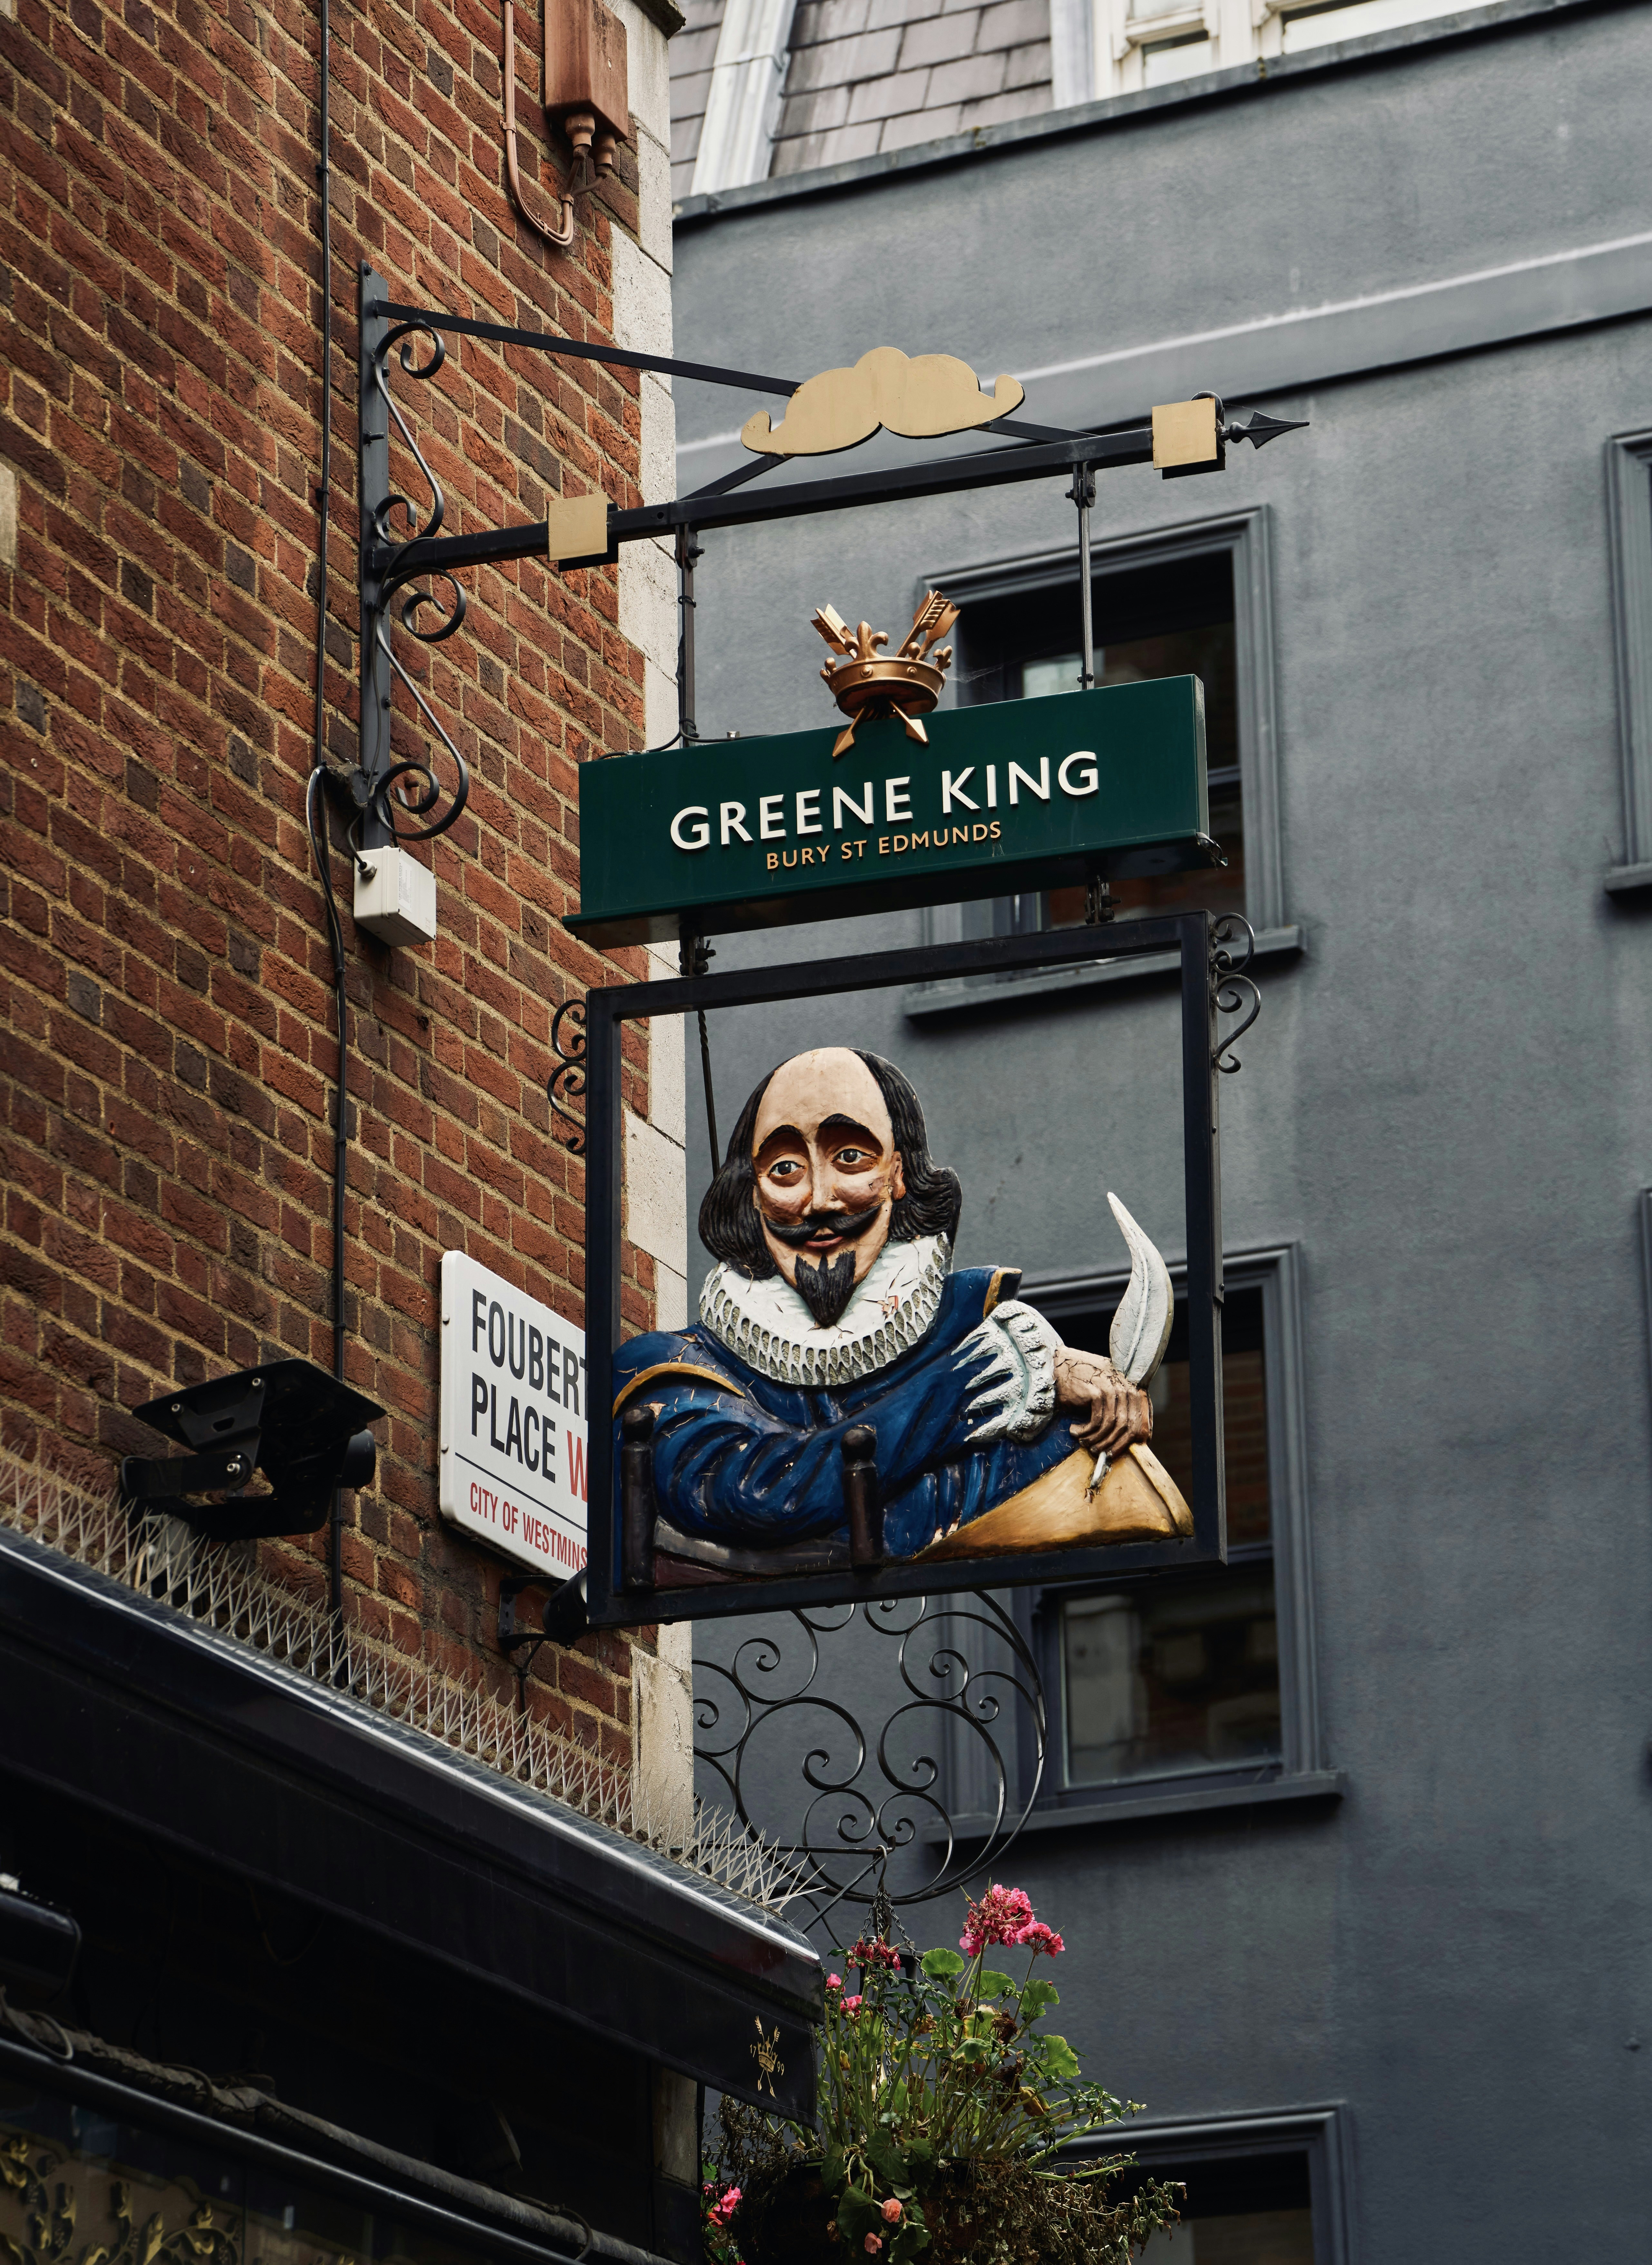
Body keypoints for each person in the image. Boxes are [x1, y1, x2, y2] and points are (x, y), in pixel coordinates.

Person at [612, 1046, 1189, 1574]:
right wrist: (989, 1379)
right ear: (751, 1191)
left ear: (899, 1175)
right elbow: (760, 1494)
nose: (818, 1200)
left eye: (851, 1157)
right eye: (785, 1169)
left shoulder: (972, 1325)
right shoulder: (667, 1371)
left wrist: (1057, 1377)